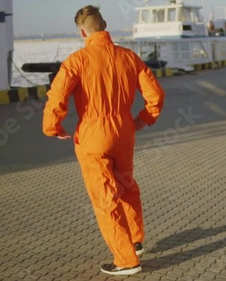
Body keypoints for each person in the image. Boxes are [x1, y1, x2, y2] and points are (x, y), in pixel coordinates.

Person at [42, 5, 165, 276]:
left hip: (93, 135)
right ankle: (135, 240)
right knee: (126, 186)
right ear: (105, 24)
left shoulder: (77, 60)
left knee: (105, 198)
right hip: (124, 131)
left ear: (82, 31)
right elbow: (154, 94)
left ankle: (126, 260)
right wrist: (144, 119)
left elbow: (57, 97)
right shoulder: (129, 57)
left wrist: (52, 127)